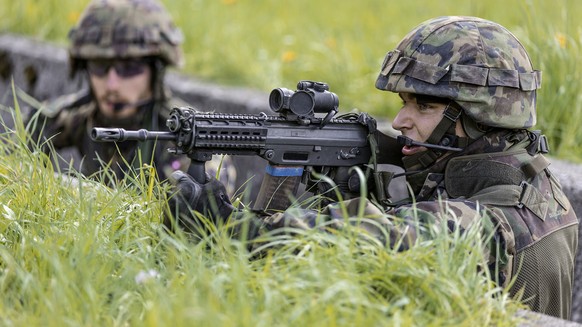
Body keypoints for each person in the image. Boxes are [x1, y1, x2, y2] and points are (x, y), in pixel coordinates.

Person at [168, 16, 578, 319]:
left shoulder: (504, 216)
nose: (400, 122)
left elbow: (371, 236)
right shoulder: (530, 178)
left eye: (424, 105)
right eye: (403, 103)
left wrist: (228, 229)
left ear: (479, 118)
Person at [27, 0, 235, 187]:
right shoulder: (81, 116)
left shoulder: (186, 134)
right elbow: (26, 139)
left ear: (155, 71)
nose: (112, 85)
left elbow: (214, 191)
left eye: (129, 68)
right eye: (99, 66)